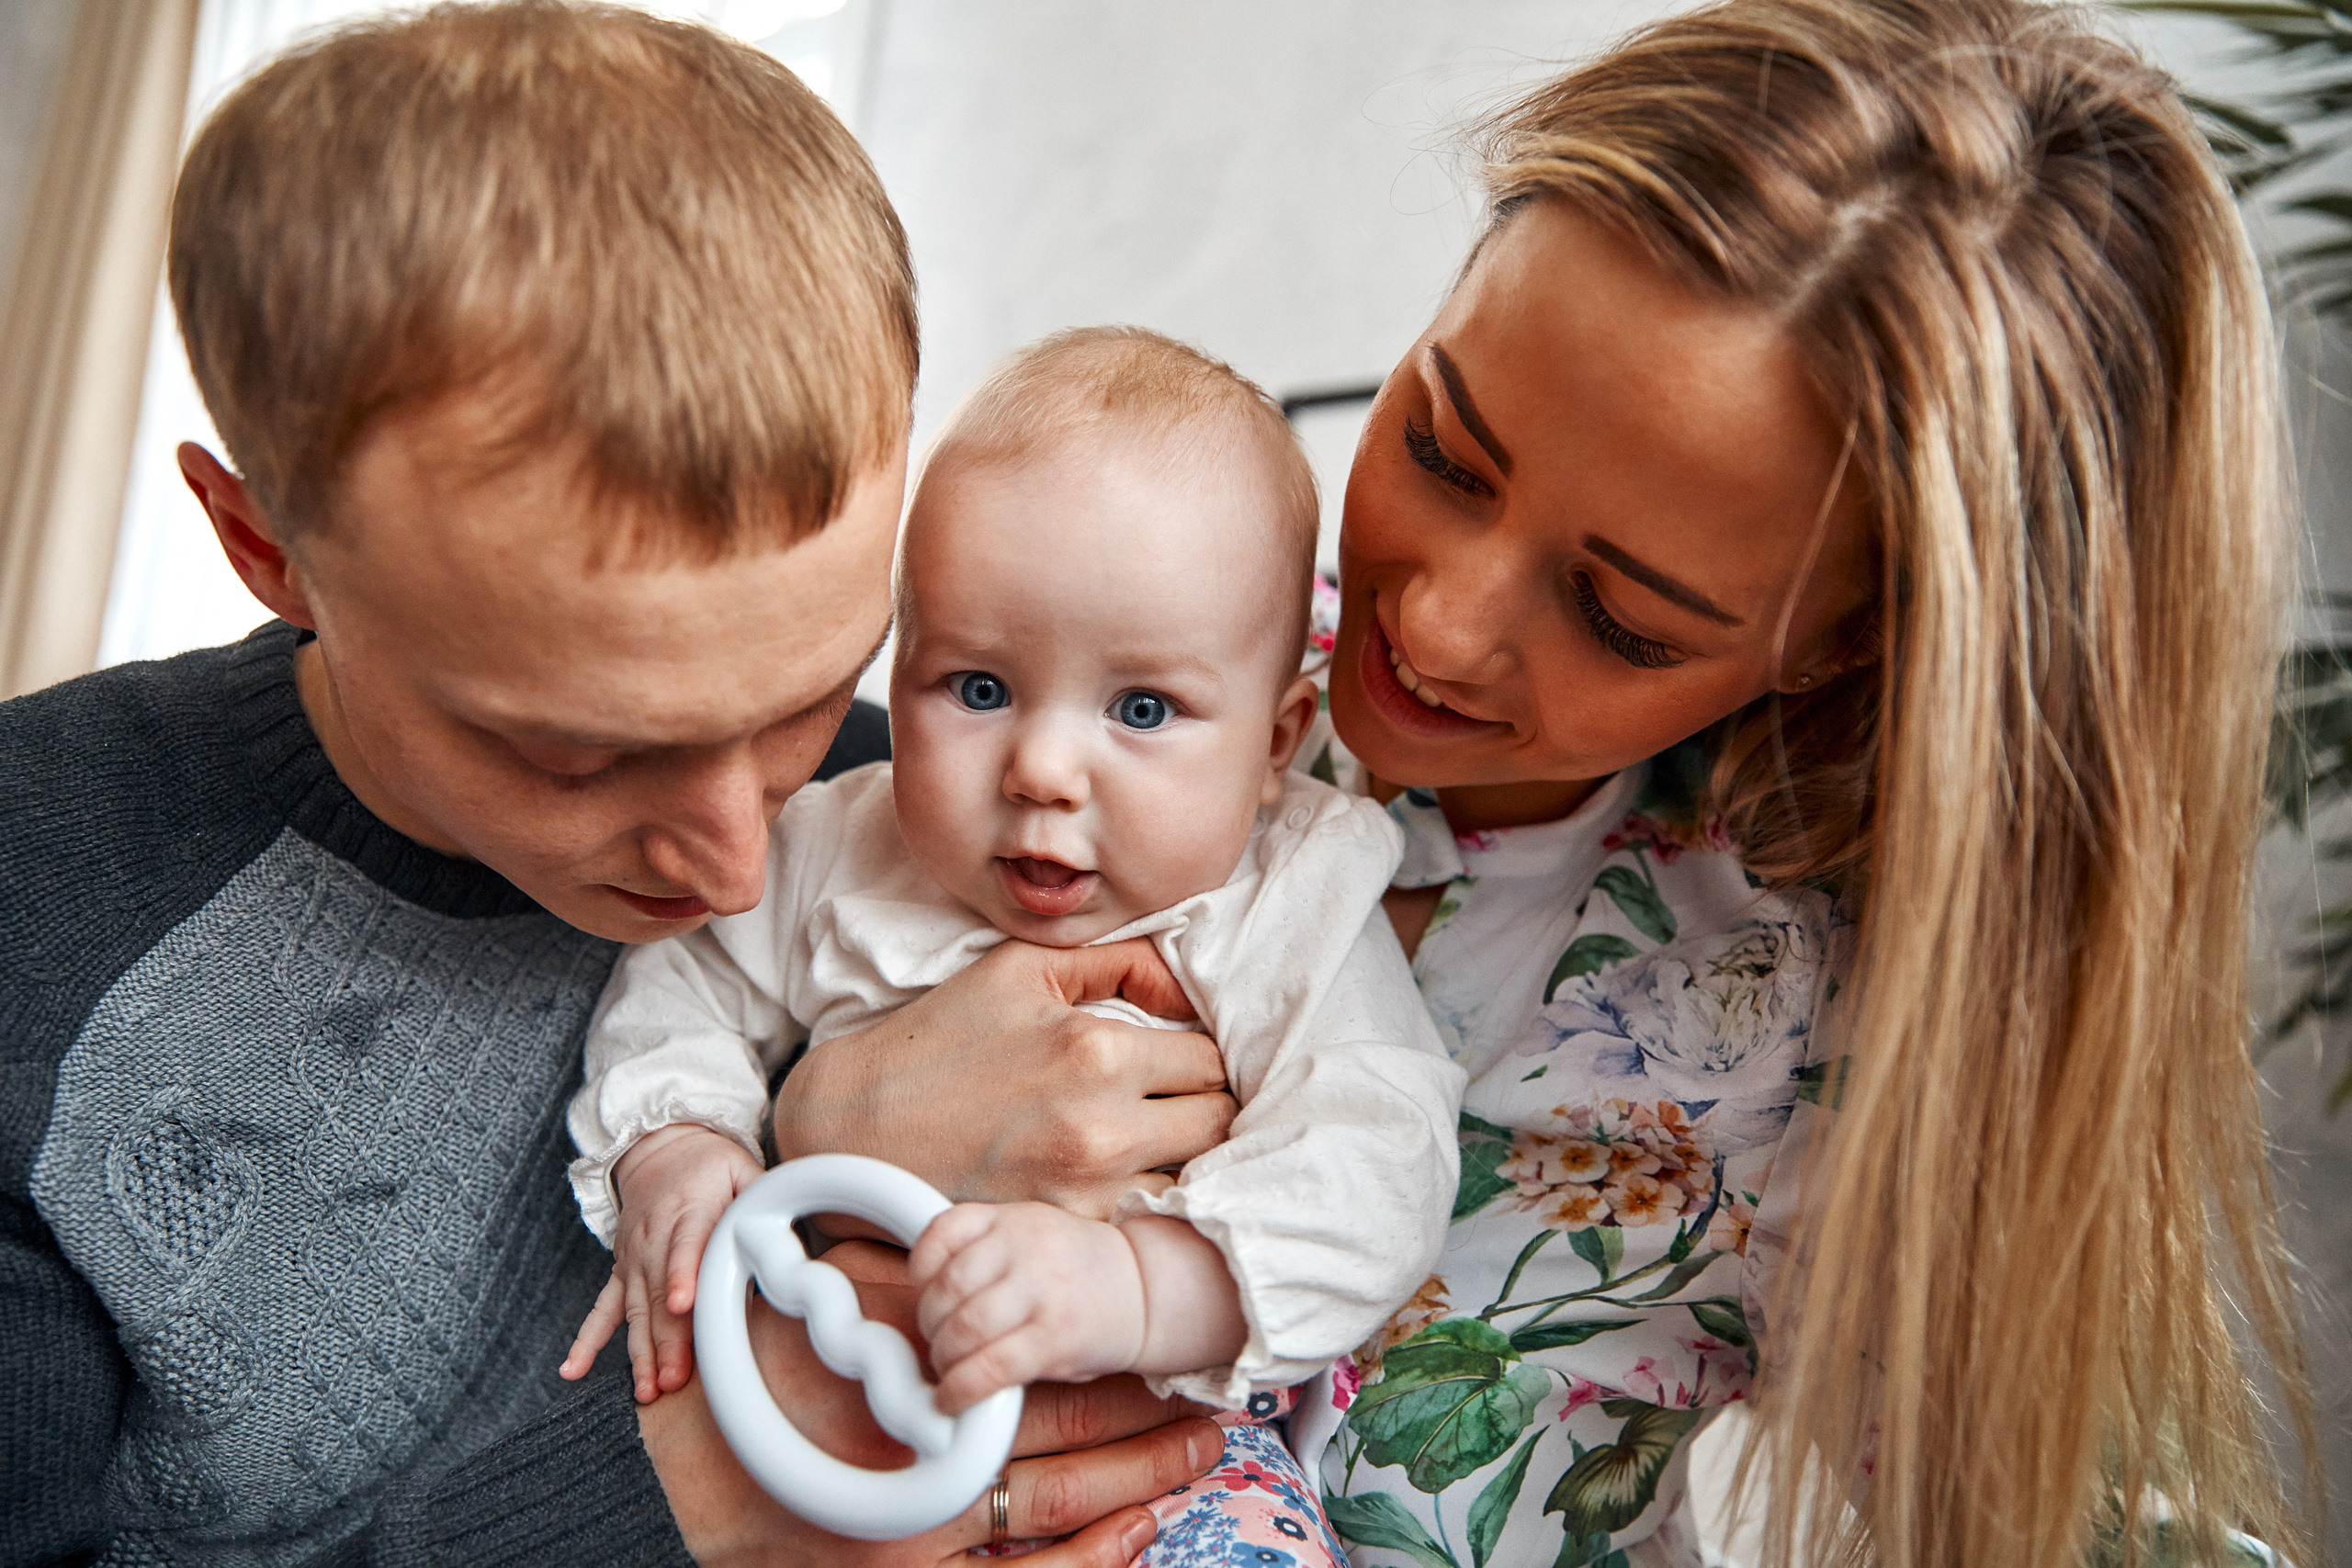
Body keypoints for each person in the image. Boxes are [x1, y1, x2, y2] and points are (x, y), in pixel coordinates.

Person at [773, 3, 2317, 1563]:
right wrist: (829, 1112)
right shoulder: (1131, 640)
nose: (1427, 623)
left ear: (1850, 646)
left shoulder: (1851, 1051)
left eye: (1620, 616)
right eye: (1443, 447)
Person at [0, 6, 1237, 1564]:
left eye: (809, 694)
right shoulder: (27, 917)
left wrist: (826, 1124)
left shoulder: (949, 811)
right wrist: (689, 1491)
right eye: (576, 753)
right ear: (267, 550)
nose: (736, 864)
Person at [561, 328, 1466, 1563]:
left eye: (1141, 710)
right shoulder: (842, 838)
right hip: (826, 1399)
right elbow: (688, 979)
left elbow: (1381, 1154)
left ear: (1272, 743)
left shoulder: (1288, 895)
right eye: (977, 688)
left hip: (1153, 1453)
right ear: (903, 660)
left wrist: (1142, 1289)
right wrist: (678, 1139)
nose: (1042, 769)